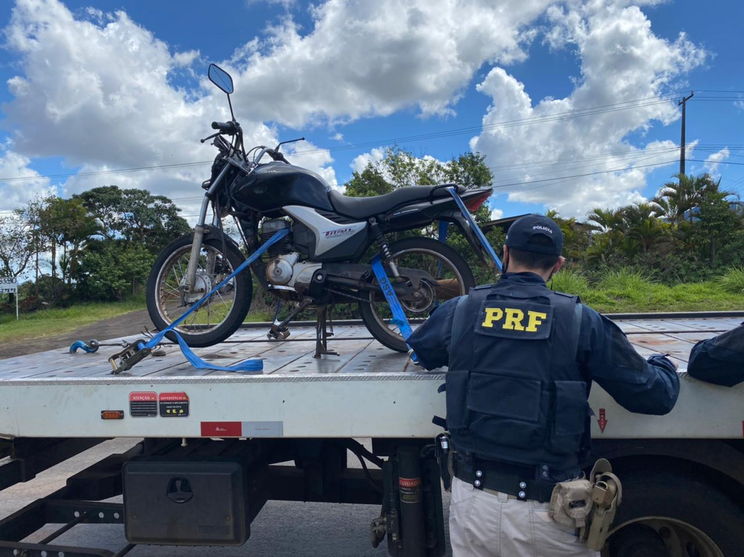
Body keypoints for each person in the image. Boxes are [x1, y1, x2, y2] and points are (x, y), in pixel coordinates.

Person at [407, 214, 680, 557]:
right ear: (559, 265)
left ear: (505, 253)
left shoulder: (461, 309)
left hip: (472, 504)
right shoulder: (580, 319)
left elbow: (420, 350)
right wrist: (662, 363)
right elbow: (655, 396)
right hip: (552, 510)